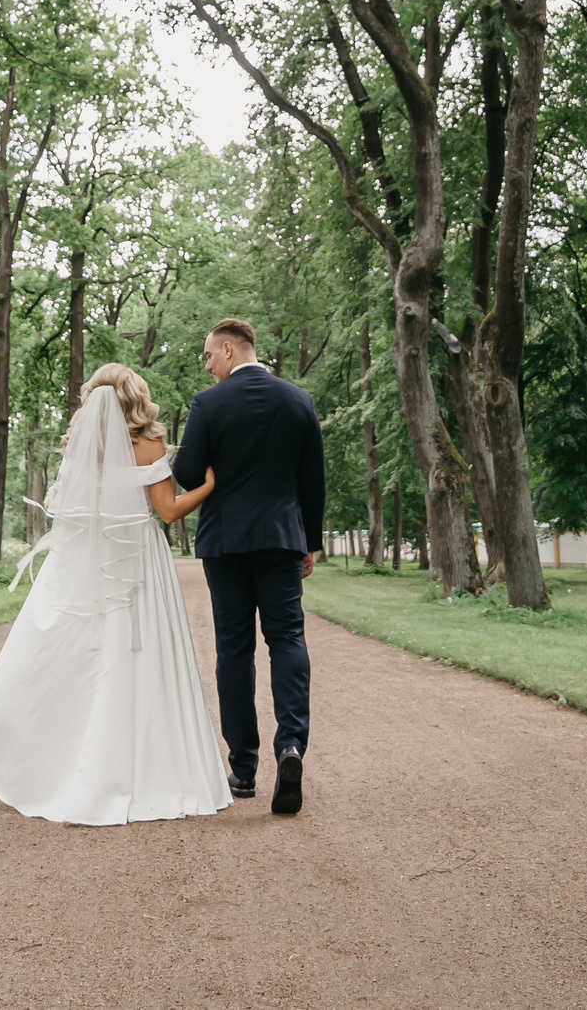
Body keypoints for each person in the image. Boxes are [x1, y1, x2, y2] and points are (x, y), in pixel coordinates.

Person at [0, 364, 232, 825]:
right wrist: (207, 485)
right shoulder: (147, 444)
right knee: (139, 653)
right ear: (136, 396)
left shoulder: (78, 445)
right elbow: (167, 511)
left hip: (84, 557)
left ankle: (47, 765)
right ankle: (141, 769)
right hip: (136, 558)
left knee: (72, 651)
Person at [171, 317, 325, 816]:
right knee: (287, 639)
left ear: (231, 351)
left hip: (226, 544)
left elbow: (188, 473)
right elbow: (312, 479)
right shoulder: (298, 400)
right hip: (282, 540)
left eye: (210, 355)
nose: (208, 363)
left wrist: (216, 464)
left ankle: (242, 769)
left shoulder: (209, 404)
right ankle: (291, 747)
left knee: (233, 649)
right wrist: (311, 541)